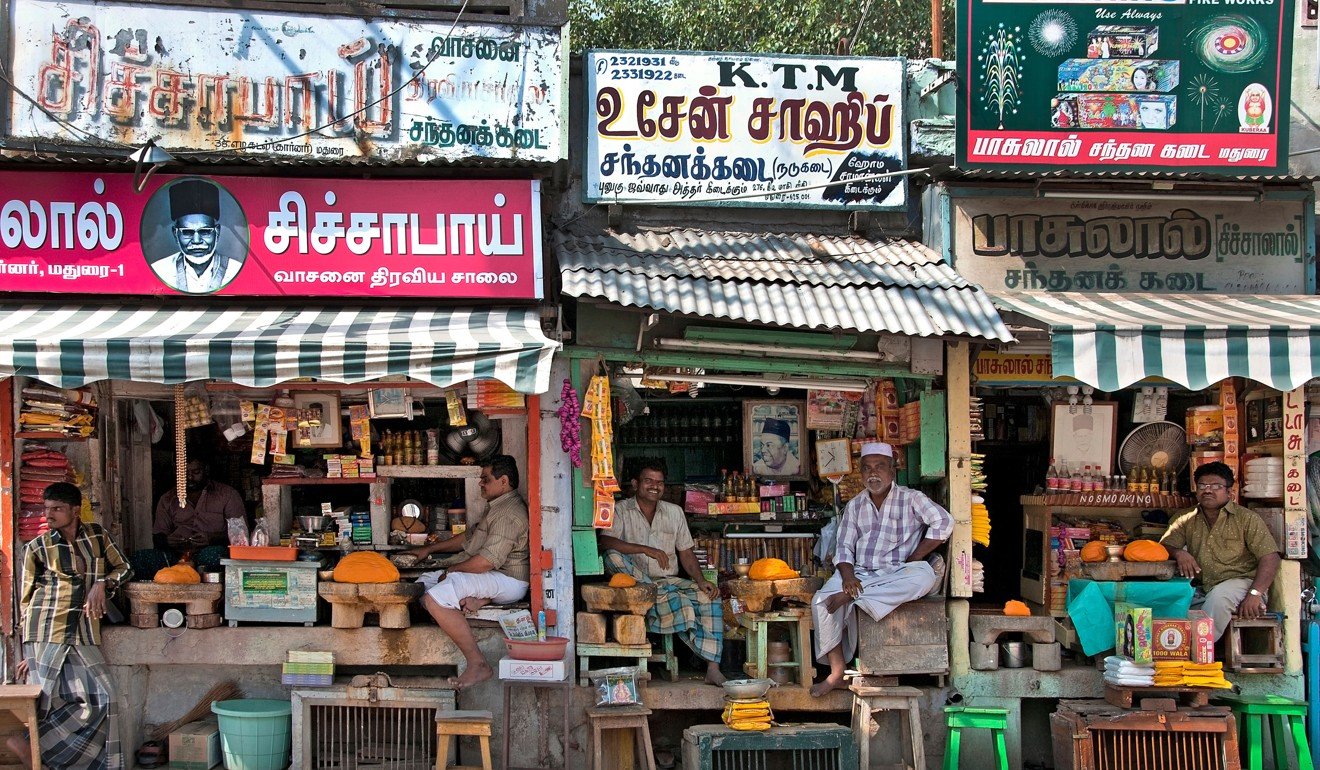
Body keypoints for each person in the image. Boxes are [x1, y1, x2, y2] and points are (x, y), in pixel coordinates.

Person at [810, 442, 953, 696]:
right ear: (861, 473)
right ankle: (836, 672)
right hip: (860, 574)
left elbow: (944, 522)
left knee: (923, 576)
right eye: (866, 468)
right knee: (821, 601)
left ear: (892, 470)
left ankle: (856, 596)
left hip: (897, 573)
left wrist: (917, 555)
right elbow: (843, 548)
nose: (872, 473)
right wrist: (848, 577)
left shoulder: (911, 499)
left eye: (879, 467)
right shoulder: (855, 505)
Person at [7, 483, 133, 769]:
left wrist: (103, 583)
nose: (48, 515)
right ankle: (34, 752)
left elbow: (124, 567)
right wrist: (26, 649)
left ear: (75, 511)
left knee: (104, 697)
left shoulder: (98, 536)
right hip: (46, 629)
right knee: (48, 700)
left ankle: (35, 747)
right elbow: (26, 599)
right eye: (46, 508)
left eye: (57, 509)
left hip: (84, 629)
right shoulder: (38, 547)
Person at [406, 454, 529, 689]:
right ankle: (479, 600)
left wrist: (451, 570)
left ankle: (478, 663)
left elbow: (485, 562)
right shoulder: (496, 506)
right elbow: (469, 538)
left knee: (436, 596)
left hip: (508, 580)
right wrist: (429, 549)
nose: (480, 483)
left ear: (503, 481)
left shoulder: (507, 514)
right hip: (492, 578)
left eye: (485, 479)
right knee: (423, 584)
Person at [599, 460, 726, 685]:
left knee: (710, 597)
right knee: (612, 556)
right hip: (636, 584)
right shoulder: (620, 510)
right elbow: (605, 541)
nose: (654, 486)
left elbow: (686, 553)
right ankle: (655, 590)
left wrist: (700, 580)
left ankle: (712, 668)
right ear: (635, 483)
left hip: (668, 582)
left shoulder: (674, 513)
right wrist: (644, 549)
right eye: (648, 481)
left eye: (660, 482)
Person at [1159, 461, 1281, 640]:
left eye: (1216, 486)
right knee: (1172, 602)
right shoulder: (1186, 518)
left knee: (1219, 598)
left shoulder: (1246, 519)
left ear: (1229, 491)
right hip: (1202, 586)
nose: (1208, 490)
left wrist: (1255, 594)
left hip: (1242, 583)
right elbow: (1164, 545)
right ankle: (1172, 648)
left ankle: (1199, 650)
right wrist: (1179, 553)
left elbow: (1270, 557)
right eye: (1203, 485)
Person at [149, 179, 242, 294]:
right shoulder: (161, 270)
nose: (196, 241)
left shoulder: (235, 270)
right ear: (175, 233)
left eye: (205, 231)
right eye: (187, 232)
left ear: (217, 232)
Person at [153, 459, 246, 551]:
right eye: (184, 473)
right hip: (177, 554)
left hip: (213, 552)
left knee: (211, 555)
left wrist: (212, 538)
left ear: (206, 469)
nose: (189, 477)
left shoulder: (228, 495)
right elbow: (158, 536)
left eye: (196, 472)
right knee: (142, 557)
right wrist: (167, 541)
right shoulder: (167, 498)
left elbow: (241, 535)